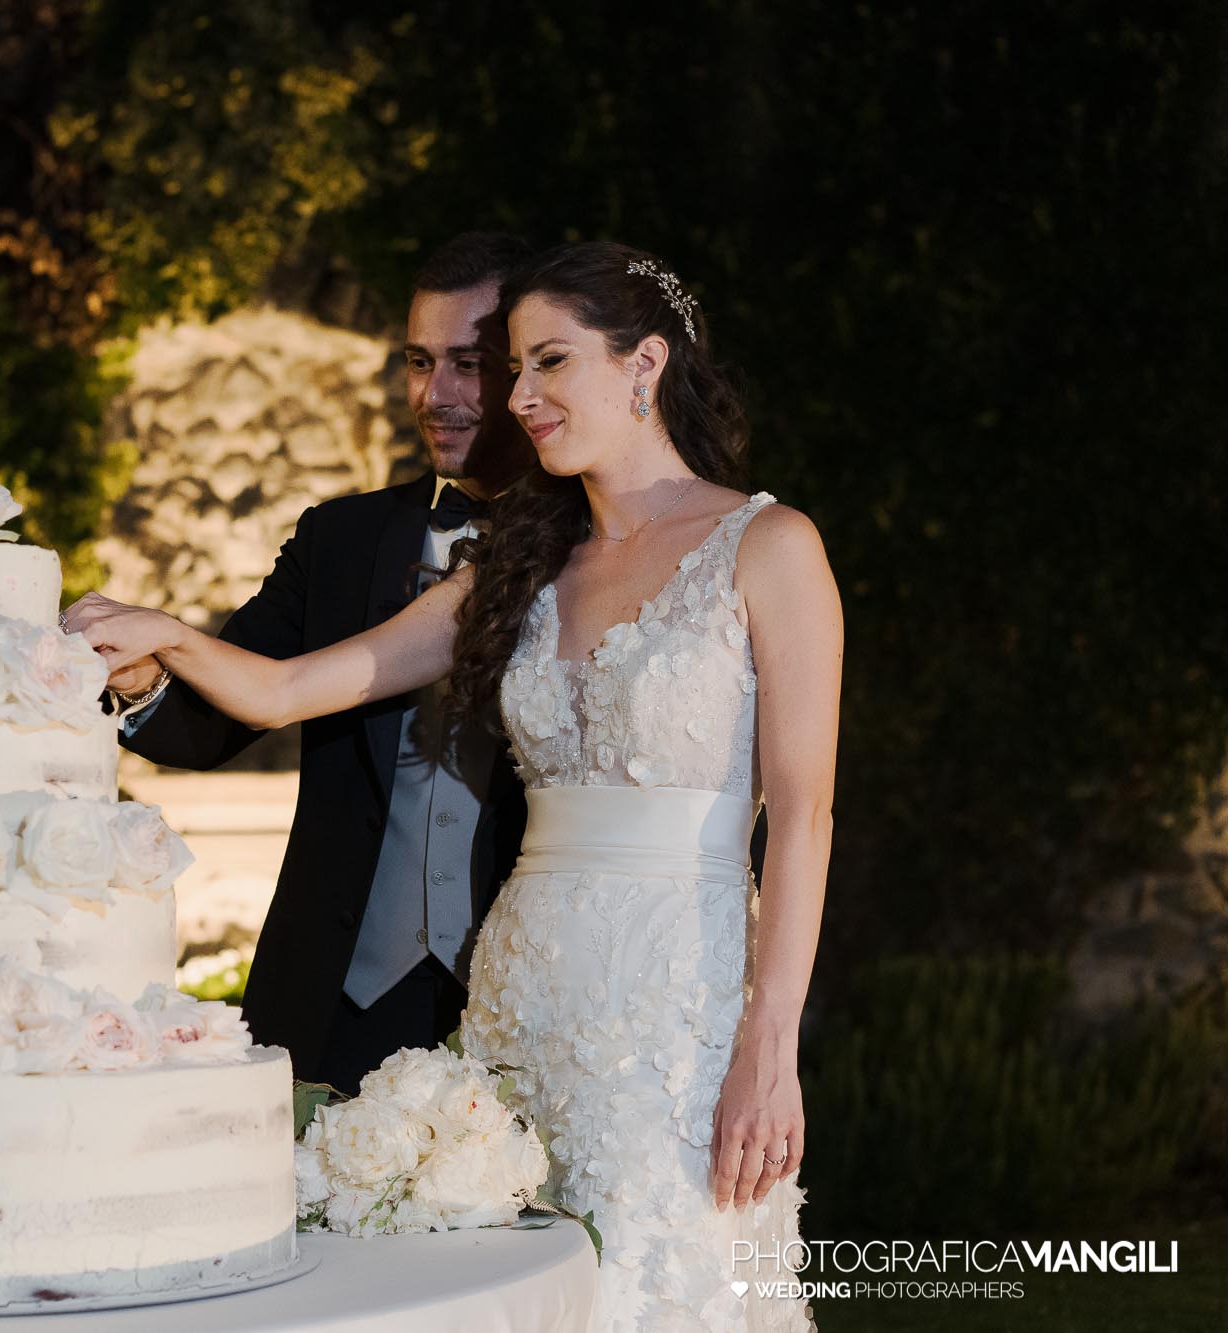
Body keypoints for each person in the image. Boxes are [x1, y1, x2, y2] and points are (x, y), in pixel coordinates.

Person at [67, 240, 838, 1331]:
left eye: (545, 364)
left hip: (679, 998)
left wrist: (769, 1047)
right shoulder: (520, 565)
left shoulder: (769, 546)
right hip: (519, 991)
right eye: (510, 367)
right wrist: (161, 636)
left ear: (642, 363)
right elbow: (289, 688)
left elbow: (803, 816)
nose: (515, 398)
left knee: (664, 1281)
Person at [87, 232, 537, 1094]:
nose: (436, 395)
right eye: (418, 360)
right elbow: (215, 712)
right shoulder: (339, 539)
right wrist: (143, 675)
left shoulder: (602, 555)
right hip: (335, 1000)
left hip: (523, 1002)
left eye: (470, 364)